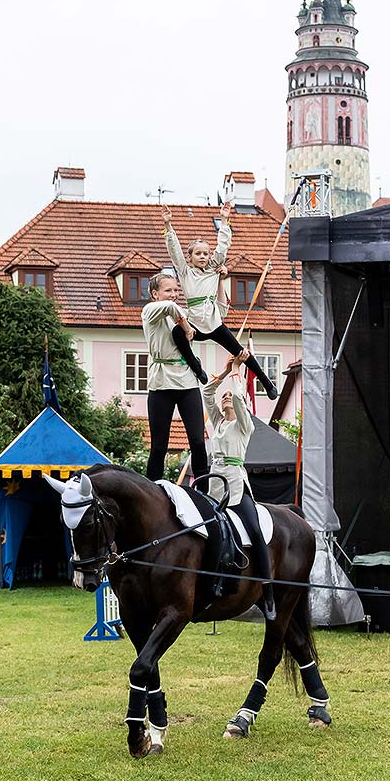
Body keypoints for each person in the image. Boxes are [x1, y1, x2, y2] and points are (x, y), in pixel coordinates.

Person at [161, 202, 278, 400]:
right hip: (195, 323)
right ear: (190, 257)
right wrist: (168, 225)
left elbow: (223, 246)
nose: (203, 256)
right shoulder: (185, 271)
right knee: (176, 333)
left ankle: (266, 382)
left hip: (213, 323)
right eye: (198, 253)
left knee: (240, 351)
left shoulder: (214, 267)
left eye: (205, 253)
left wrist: (224, 220)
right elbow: (175, 251)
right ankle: (197, 368)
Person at [202, 350, 276, 620]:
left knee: (255, 531)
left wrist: (237, 373)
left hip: (236, 484)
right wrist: (222, 374)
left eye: (229, 396)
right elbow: (207, 394)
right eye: (225, 396)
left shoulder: (244, 426)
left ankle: (267, 593)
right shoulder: (217, 424)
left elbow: (241, 402)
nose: (225, 397)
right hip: (214, 486)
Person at [141, 272, 209, 482]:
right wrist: (187, 328)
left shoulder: (182, 312)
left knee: (198, 441)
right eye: (168, 290)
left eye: (176, 290)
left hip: (187, 382)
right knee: (159, 445)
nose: (173, 295)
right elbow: (171, 308)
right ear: (155, 294)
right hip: (161, 383)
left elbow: (211, 316)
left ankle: (204, 490)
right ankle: (151, 488)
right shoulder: (150, 311)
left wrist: (220, 288)